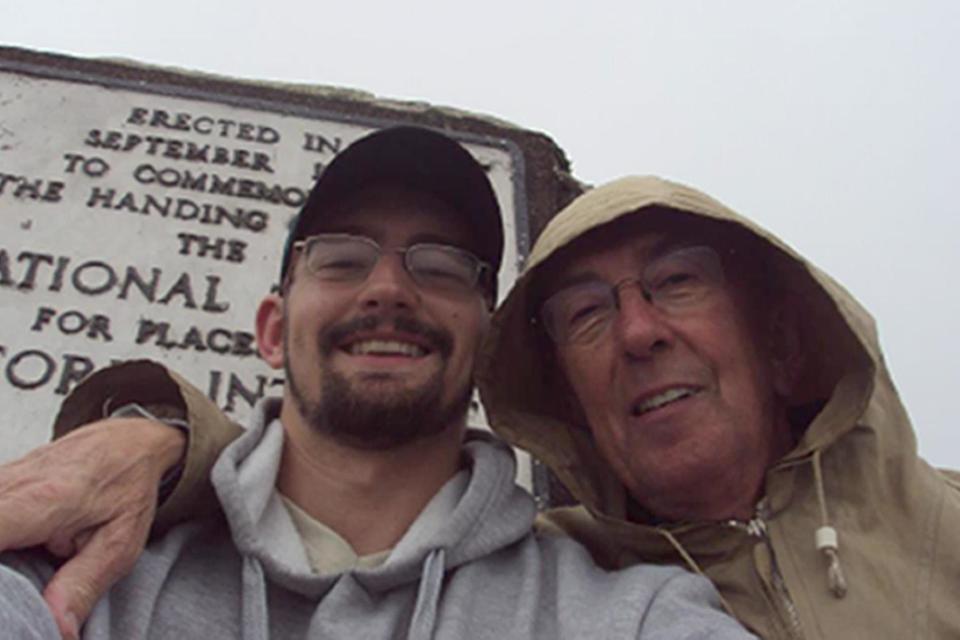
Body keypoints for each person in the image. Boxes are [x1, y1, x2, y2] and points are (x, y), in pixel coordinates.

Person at [0, 130, 751, 639]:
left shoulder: (630, 615)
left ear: (485, 341)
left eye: (440, 264)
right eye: (341, 258)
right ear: (271, 329)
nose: (389, 287)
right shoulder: (84, 562)